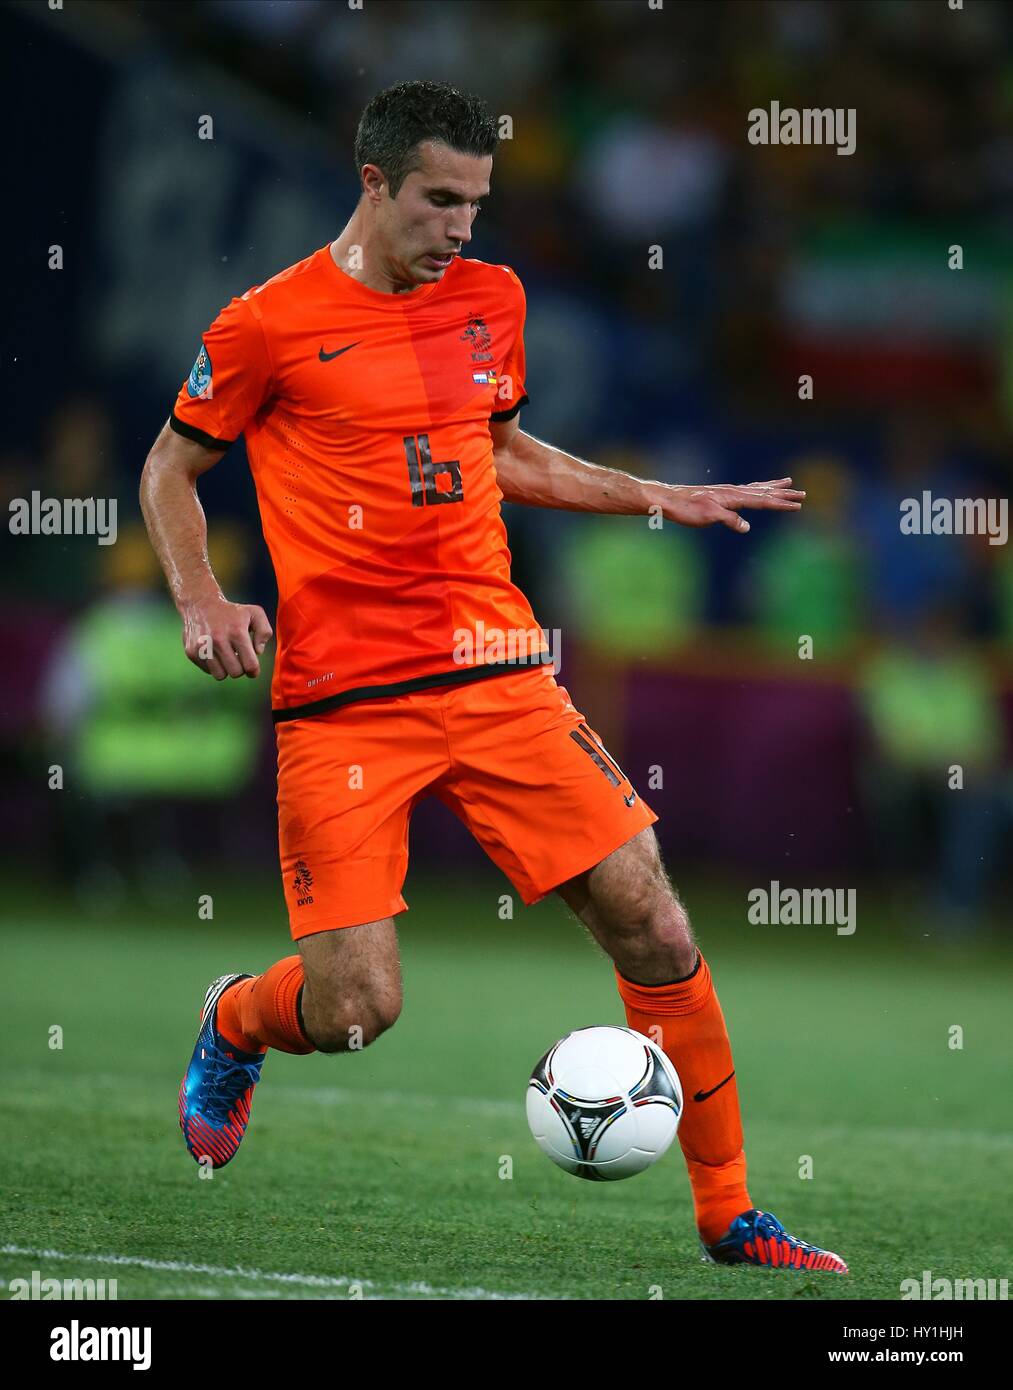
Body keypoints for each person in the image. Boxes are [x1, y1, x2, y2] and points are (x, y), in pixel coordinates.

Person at [140, 80, 843, 1274]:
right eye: (438, 200)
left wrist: (649, 495)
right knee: (355, 1008)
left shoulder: (491, 299)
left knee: (653, 918)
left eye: (476, 201)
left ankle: (727, 1208)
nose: (462, 226)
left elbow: (499, 451)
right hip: (341, 697)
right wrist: (203, 598)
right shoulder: (264, 325)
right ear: (372, 184)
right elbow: (168, 471)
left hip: (492, 667)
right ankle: (234, 1019)